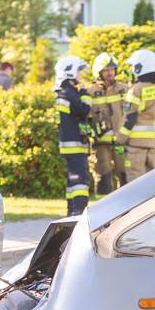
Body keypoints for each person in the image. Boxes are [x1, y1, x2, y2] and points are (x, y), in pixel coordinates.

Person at [55, 55, 92, 216]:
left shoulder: (64, 92)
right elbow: (84, 110)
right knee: (80, 182)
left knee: (72, 182)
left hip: (72, 146)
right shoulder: (69, 93)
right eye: (78, 71)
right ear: (69, 72)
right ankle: (79, 212)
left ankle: (71, 212)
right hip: (75, 146)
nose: (80, 75)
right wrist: (85, 93)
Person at [87, 53, 129, 194]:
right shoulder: (91, 92)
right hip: (101, 143)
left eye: (112, 69)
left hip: (120, 141)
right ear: (98, 72)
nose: (110, 73)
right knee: (103, 174)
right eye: (106, 70)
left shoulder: (124, 88)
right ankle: (103, 204)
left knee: (124, 173)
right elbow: (86, 117)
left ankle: (127, 203)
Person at [117, 49, 155, 183]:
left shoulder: (135, 90)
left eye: (133, 66)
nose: (132, 69)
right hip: (150, 144)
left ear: (140, 67)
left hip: (135, 146)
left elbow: (130, 118)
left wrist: (119, 140)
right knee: (150, 183)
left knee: (135, 183)